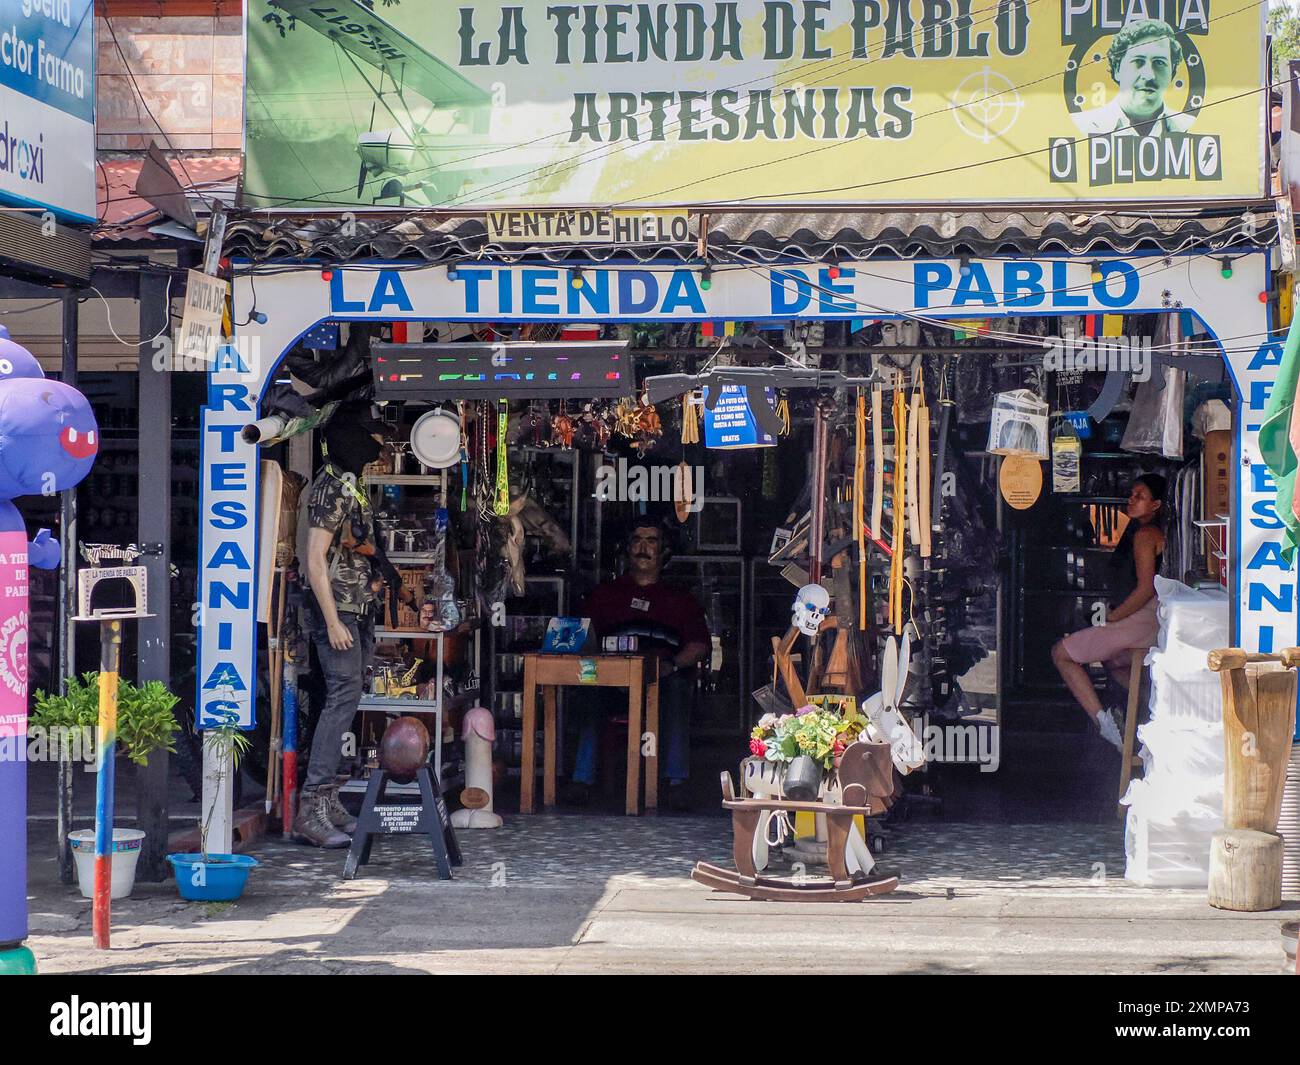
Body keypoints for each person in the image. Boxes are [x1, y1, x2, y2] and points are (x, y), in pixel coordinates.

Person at [294, 401, 410, 847]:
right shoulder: (331, 489)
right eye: (370, 434)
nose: (377, 442)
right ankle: (312, 807)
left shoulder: (351, 485)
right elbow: (314, 557)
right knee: (341, 698)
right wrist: (331, 618)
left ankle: (328, 799)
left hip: (355, 608)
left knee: (347, 699)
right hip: (338, 610)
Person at [567, 516, 711, 809]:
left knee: (678, 693)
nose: (643, 548)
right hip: (613, 686)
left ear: (663, 551)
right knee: (587, 694)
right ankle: (580, 781)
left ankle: (676, 782)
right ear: (627, 548)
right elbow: (584, 637)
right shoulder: (605, 595)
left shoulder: (679, 599)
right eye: (637, 540)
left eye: (652, 541)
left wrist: (671, 664)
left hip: (662, 681)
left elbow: (699, 645)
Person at [1052, 474, 1167, 751]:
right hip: (1152, 618)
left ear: (1156, 505)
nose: (1131, 499)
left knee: (1061, 654)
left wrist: (1114, 618)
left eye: (1140, 496)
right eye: (1132, 493)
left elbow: (1145, 588)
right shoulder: (1147, 532)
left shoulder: (1144, 535)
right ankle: (1158, 708)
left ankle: (1105, 725)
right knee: (1113, 661)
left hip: (1143, 617)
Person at [1075, 20, 1192, 137]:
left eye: (1159, 62)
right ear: (1117, 69)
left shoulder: (1190, 127)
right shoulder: (1081, 126)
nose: (1149, 75)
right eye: (1138, 61)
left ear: (1172, 71)